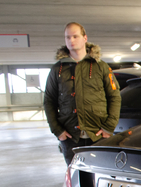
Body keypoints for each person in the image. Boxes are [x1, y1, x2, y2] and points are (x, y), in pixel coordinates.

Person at [44, 22, 121, 165]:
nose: (71, 40)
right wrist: (57, 130)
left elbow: (114, 96)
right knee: (75, 178)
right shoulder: (57, 70)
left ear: (85, 38)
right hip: (70, 137)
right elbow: (49, 100)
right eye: (68, 37)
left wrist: (109, 127)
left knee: (101, 176)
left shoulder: (100, 66)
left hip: (98, 135)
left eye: (75, 36)